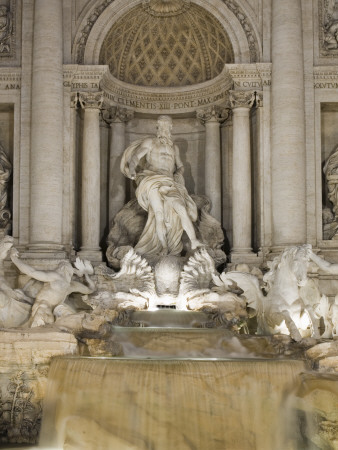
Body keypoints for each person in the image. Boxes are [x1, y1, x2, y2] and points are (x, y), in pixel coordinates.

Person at [121, 115, 203, 256]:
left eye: (167, 126)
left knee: (181, 208)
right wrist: (132, 168)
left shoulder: (174, 148)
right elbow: (135, 157)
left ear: (171, 128)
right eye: (162, 126)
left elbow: (180, 166)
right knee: (158, 214)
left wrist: (179, 174)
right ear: (157, 128)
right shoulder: (150, 142)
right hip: (152, 179)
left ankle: (194, 240)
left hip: (170, 182)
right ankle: (164, 247)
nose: (164, 129)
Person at [10, 249, 96, 327]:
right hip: (42, 309)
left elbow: (91, 290)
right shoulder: (64, 282)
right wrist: (15, 259)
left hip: (49, 311)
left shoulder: (66, 283)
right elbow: (91, 289)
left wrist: (86, 275)